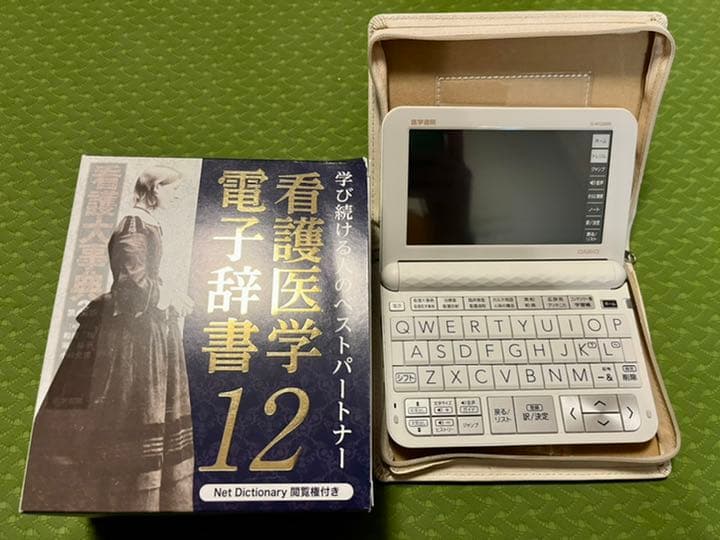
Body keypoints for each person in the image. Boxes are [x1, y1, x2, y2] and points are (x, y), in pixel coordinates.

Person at [23, 166, 195, 512]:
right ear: (155, 188)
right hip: (131, 336)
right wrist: (168, 296)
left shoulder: (148, 222)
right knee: (129, 410)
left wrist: (173, 293)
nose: (177, 196)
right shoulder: (134, 224)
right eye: (173, 189)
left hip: (150, 330)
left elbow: (147, 277)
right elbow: (131, 287)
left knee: (151, 411)